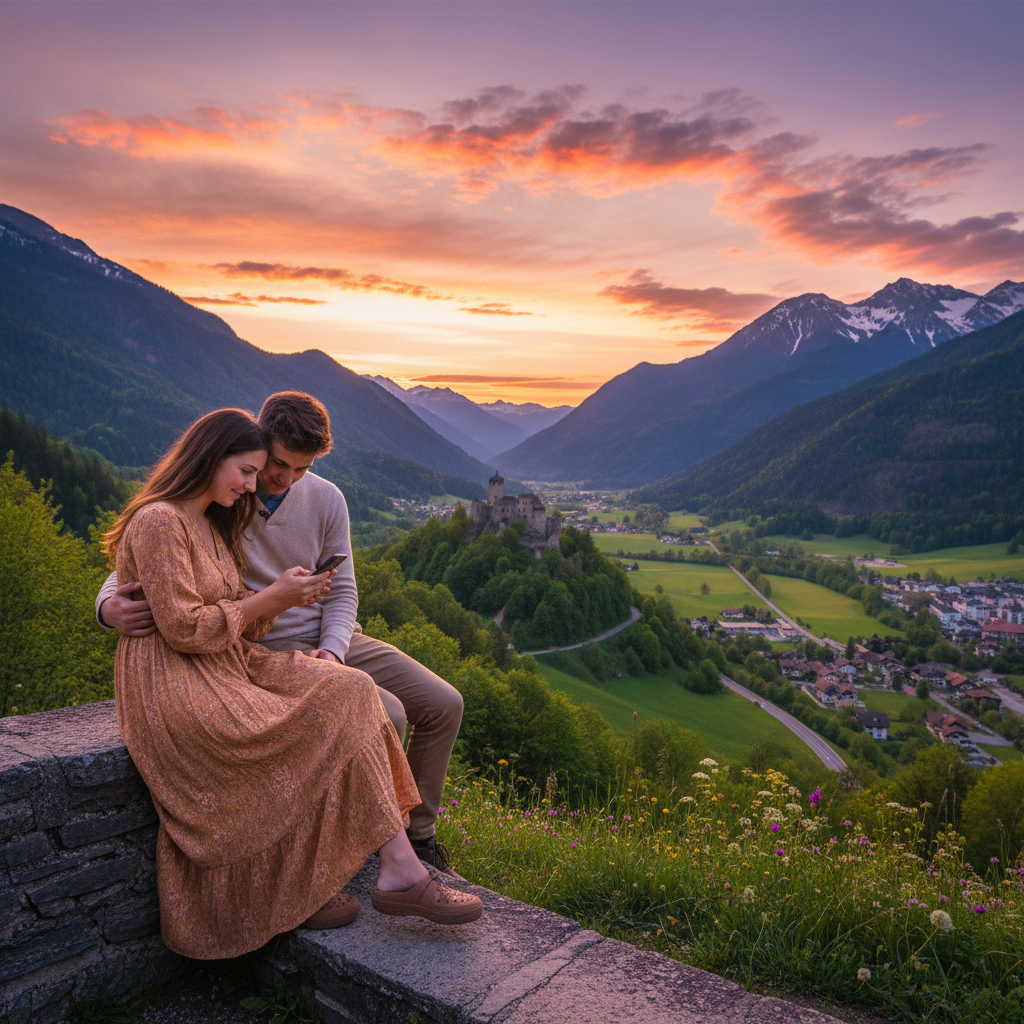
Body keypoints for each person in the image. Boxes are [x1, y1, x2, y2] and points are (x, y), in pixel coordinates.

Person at [106, 408, 482, 960]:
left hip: (270, 647)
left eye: (289, 470)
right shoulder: (187, 515)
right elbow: (145, 587)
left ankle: (407, 856)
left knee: (391, 695)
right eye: (261, 468)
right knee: (366, 712)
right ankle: (358, 865)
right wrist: (106, 608)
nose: (267, 482)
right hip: (201, 668)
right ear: (228, 453)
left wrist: (326, 645)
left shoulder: (239, 511)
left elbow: (336, 588)